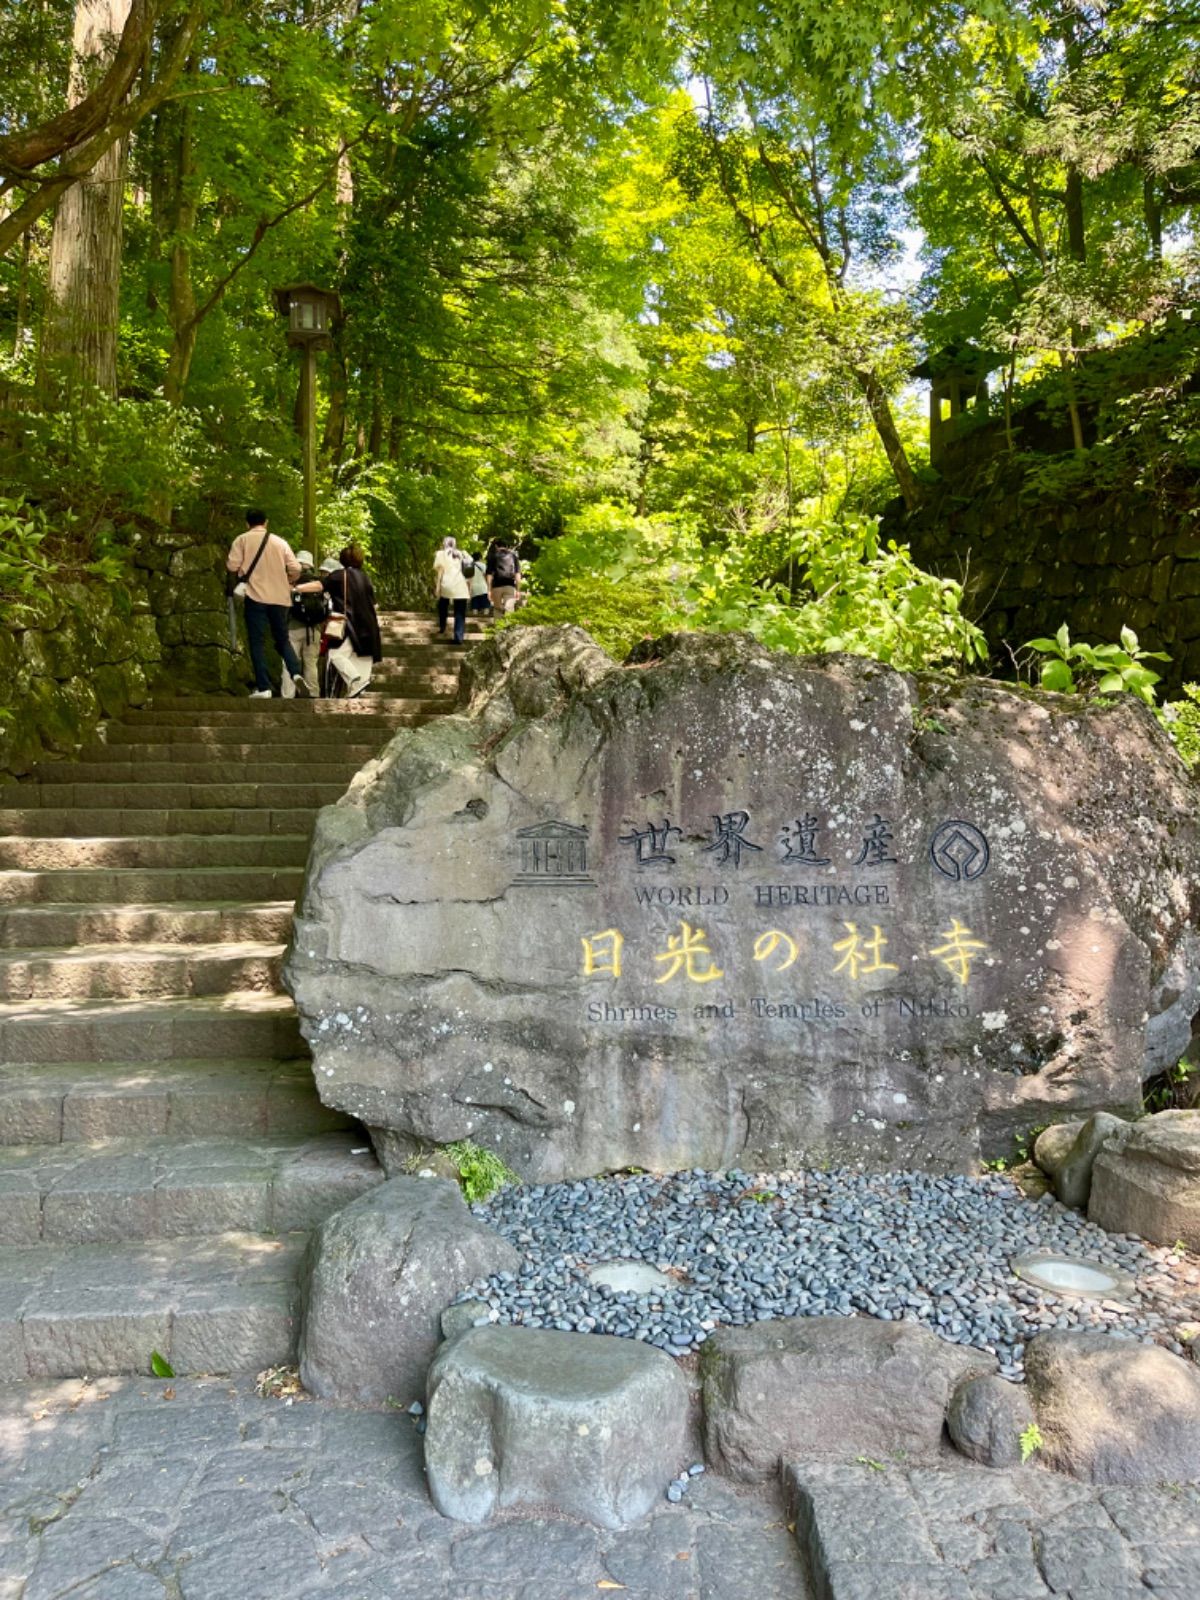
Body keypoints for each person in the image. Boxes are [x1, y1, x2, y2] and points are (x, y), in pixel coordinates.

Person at [226, 509, 307, 698]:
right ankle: (295, 672)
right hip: (280, 599)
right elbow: (296, 568)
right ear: (266, 522)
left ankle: (264, 688)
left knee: (257, 642)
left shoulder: (242, 540)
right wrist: (287, 580)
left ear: (247, 523)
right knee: (282, 640)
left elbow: (231, 565)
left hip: (256, 598)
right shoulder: (280, 542)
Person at [295, 544, 383, 696]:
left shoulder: (339, 575)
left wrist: (297, 588)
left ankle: (355, 681)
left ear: (342, 559)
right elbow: (373, 603)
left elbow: (319, 585)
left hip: (351, 624)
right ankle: (356, 687)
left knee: (336, 655)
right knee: (360, 664)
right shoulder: (365, 578)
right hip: (369, 627)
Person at [282, 548, 324, 700]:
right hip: (313, 629)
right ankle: (313, 694)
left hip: (293, 627)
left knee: (289, 663)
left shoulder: (290, 580)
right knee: (311, 663)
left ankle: (288, 695)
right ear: (311, 565)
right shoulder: (317, 582)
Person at [432, 535, 470, 645]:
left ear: (444, 543)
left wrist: (437, 588)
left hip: (447, 584)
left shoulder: (441, 554)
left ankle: (442, 626)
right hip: (461, 585)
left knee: (442, 604)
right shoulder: (462, 553)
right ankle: (458, 637)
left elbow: (440, 572)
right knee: (460, 612)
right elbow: (468, 571)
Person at [486, 539, 521, 615]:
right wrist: (518, 590)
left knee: (497, 609)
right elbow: (517, 574)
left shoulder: (492, 557)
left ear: (496, 546)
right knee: (509, 609)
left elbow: (489, 575)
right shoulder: (513, 556)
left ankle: (499, 626)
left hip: (496, 586)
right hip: (510, 586)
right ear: (507, 547)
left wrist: (489, 590)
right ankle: (508, 625)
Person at [467, 553, 492, 618]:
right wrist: (489, 587)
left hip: (474, 588)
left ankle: (475, 618)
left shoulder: (470, 566)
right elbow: (487, 577)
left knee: (474, 606)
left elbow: (468, 580)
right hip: (483, 588)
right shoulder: (484, 566)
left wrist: (469, 590)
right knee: (486, 606)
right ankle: (485, 619)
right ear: (480, 558)